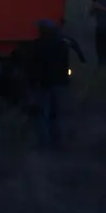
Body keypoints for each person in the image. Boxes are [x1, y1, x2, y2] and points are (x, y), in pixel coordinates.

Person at [29, 19, 84, 150]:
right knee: (57, 113)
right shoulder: (62, 42)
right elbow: (74, 45)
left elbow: (32, 64)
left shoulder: (39, 44)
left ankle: (44, 143)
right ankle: (58, 141)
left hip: (45, 83)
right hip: (61, 83)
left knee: (43, 113)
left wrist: (32, 81)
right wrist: (82, 58)